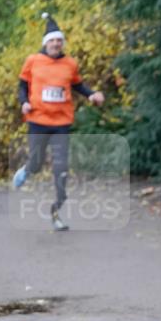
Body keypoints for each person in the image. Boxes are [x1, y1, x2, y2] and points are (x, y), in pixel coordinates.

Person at [12, 12, 105, 231]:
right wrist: (23, 102)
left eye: (59, 41)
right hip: (37, 120)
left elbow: (78, 85)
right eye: (52, 40)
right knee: (36, 164)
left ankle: (56, 212)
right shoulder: (32, 61)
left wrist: (91, 95)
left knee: (61, 169)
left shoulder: (70, 64)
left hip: (61, 123)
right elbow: (22, 86)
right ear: (46, 43)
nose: (56, 44)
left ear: (62, 43)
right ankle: (27, 169)